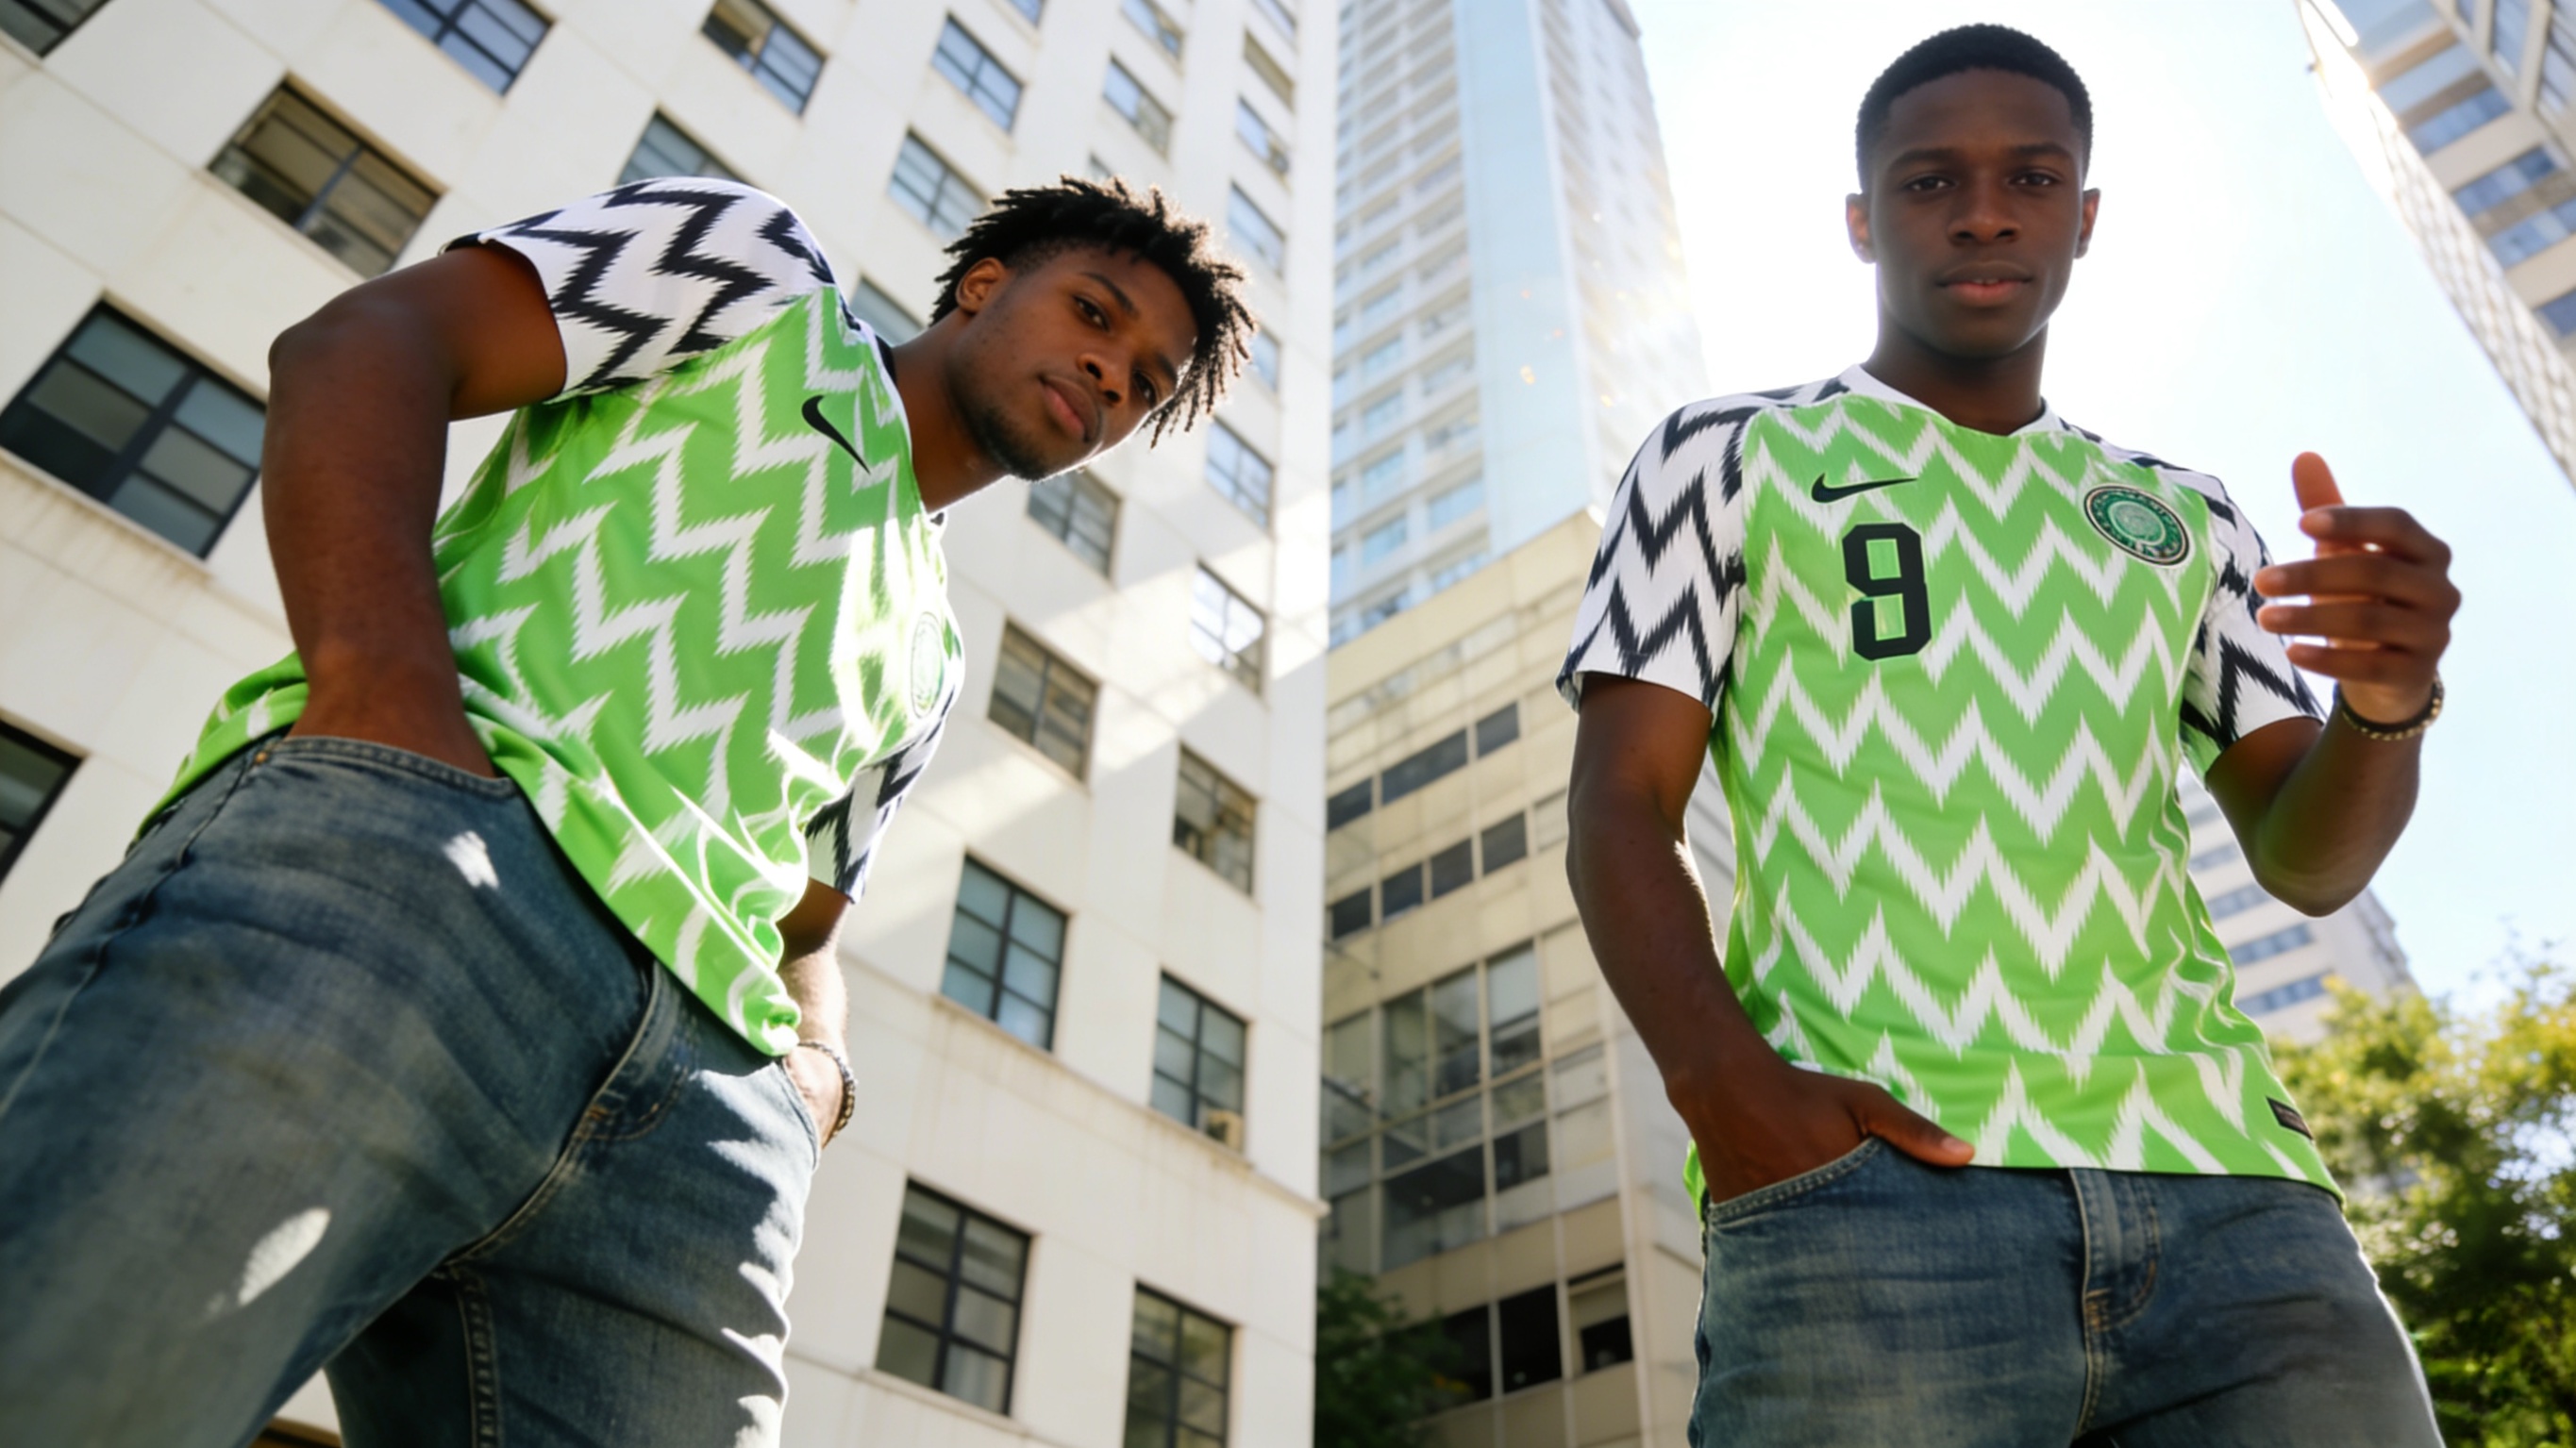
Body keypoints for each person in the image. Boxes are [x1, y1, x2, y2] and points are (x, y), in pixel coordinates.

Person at [0, 173, 1249, 1446]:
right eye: (1095, 317)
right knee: (76, 1379)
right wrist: (386, 689)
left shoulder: (930, 647)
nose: (1112, 376)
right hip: (430, 889)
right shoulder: (759, 280)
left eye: (1145, 382)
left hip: (697, 1127)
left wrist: (809, 1082)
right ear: (984, 287)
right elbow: (371, 342)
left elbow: (809, 919)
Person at [1559, 25, 2456, 1448]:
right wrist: (1727, 1093)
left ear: (2083, 218)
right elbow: (1618, 806)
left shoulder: (2182, 514)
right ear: (1860, 220)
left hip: (2242, 1214)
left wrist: (2384, 703)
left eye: (2030, 175)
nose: (1982, 210)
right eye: (1928, 181)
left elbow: (2308, 860)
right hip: (1872, 1202)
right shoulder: (1718, 454)